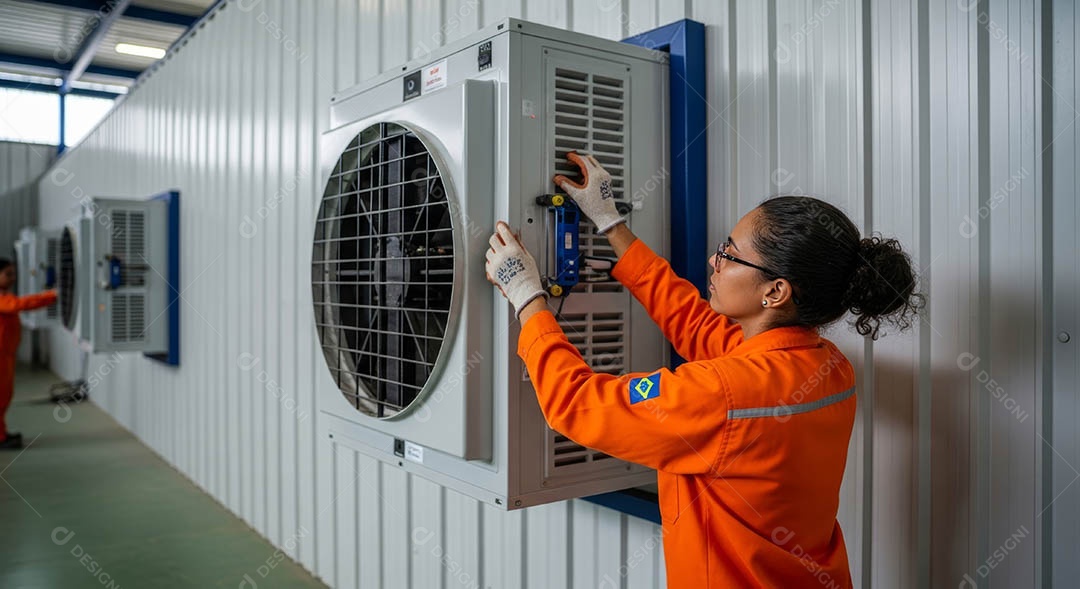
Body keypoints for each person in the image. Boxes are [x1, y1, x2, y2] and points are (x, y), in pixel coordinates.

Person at [484, 152, 922, 588]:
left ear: (775, 291)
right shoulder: (828, 367)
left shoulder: (724, 395)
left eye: (730, 254)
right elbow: (695, 323)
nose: (714, 262)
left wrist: (527, 297)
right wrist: (611, 225)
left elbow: (577, 404)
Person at [0, 258, 58, 450]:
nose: (13, 278)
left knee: (5, 396)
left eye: (13, 274)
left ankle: (1, 433)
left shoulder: (4, 296)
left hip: (6, 356)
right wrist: (52, 296)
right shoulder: (3, 300)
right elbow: (21, 304)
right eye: (8, 274)